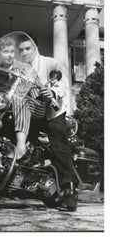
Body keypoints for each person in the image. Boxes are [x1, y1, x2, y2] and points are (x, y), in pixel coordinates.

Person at [16, 34, 78, 212]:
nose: (24, 52)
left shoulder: (50, 63)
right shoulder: (20, 68)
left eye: (27, 48)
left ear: (35, 48)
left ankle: (69, 192)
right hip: (31, 110)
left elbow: (62, 84)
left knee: (58, 143)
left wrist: (52, 92)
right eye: (21, 50)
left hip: (52, 110)